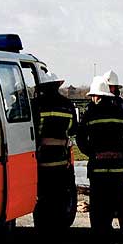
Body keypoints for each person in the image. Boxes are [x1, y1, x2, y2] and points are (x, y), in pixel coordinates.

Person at [76, 74, 123, 244]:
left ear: (96, 95)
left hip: (98, 169)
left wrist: (92, 153)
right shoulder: (121, 110)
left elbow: (80, 139)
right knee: (121, 205)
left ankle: (101, 242)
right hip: (118, 168)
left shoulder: (90, 112)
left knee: (98, 206)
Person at [32, 70, 78, 235]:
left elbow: (32, 130)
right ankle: (58, 231)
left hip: (40, 161)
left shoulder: (36, 104)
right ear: (58, 85)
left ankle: (42, 231)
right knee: (59, 197)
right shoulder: (67, 104)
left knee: (42, 198)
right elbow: (73, 129)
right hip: (61, 160)